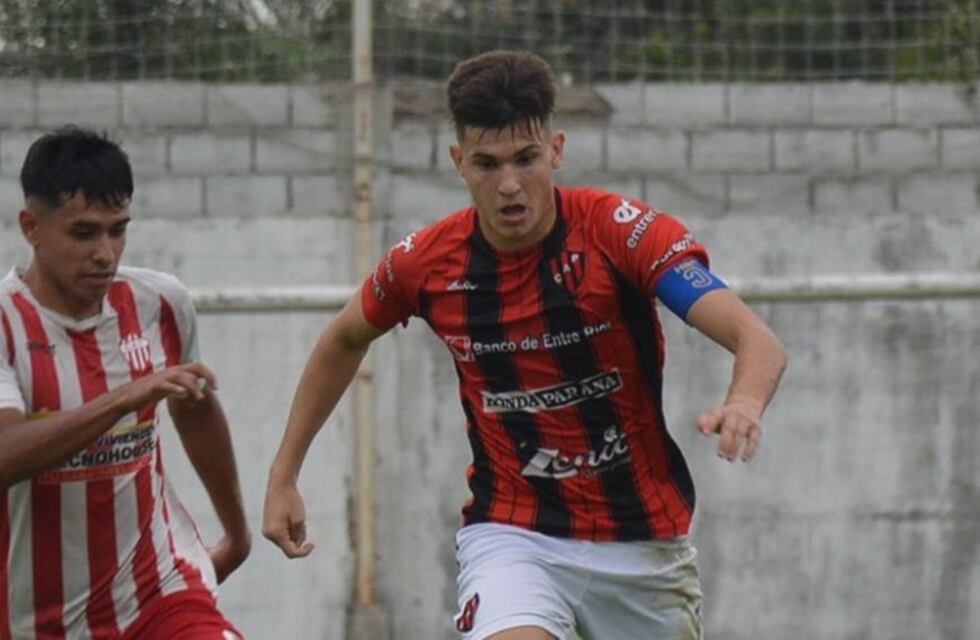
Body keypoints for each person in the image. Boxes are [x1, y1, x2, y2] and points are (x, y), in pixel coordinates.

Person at [262, 50, 787, 640]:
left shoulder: (621, 231)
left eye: (526, 159)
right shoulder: (427, 263)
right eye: (486, 163)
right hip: (515, 533)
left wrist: (744, 402)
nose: (509, 185)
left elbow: (756, 339)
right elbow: (341, 340)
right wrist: (284, 476)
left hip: (642, 545)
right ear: (458, 162)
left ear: (556, 150)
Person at [0, 126, 251, 639]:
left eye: (118, 229)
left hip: (156, 593)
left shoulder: (159, 303)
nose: (106, 252)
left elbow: (194, 406)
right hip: (31, 619)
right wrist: (122, 399)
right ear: (32, 227)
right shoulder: (5, 324)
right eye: (84, 232)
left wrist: (237, 532)